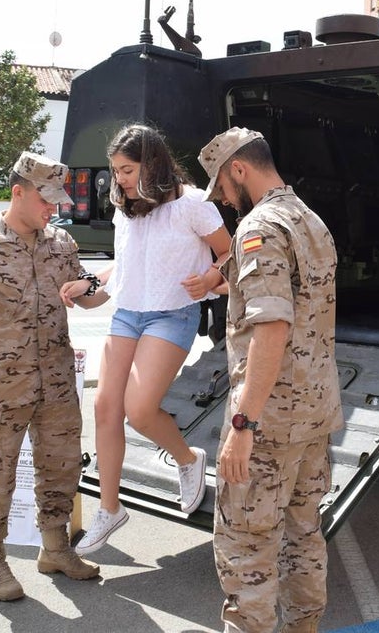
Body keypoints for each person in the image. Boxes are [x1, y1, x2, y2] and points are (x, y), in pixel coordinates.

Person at [197, 127, 343, 633]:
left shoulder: (259, 227)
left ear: (239, 169)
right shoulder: (311, 220)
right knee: (304, 536)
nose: (222, 199)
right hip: (314, 411)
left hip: (270, 418)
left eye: (221, 186)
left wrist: (243, 423)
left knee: (246, 545)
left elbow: (272, 326)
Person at [62, 123, 231, 556]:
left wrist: (210, 278)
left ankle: (188, 459)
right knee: (105, 408)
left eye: (127, 170)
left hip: (172, 314)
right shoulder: (127, 208)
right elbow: (124, 265)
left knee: (138, 410)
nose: (118, 179)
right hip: (127, 313)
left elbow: (229, 253)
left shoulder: (193, 204)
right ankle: (110, 509)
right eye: (116, 170)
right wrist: (88, 285)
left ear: (152, 164)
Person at [0, 151, 105, 602]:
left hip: (56, 381)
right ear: (18, 192)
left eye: (57, 200)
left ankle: (55, 548)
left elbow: (87, 296)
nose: (52, 208)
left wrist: (96, 285)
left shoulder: (62, 244)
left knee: (61, 465)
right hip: (1, 384)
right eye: (45, 199)